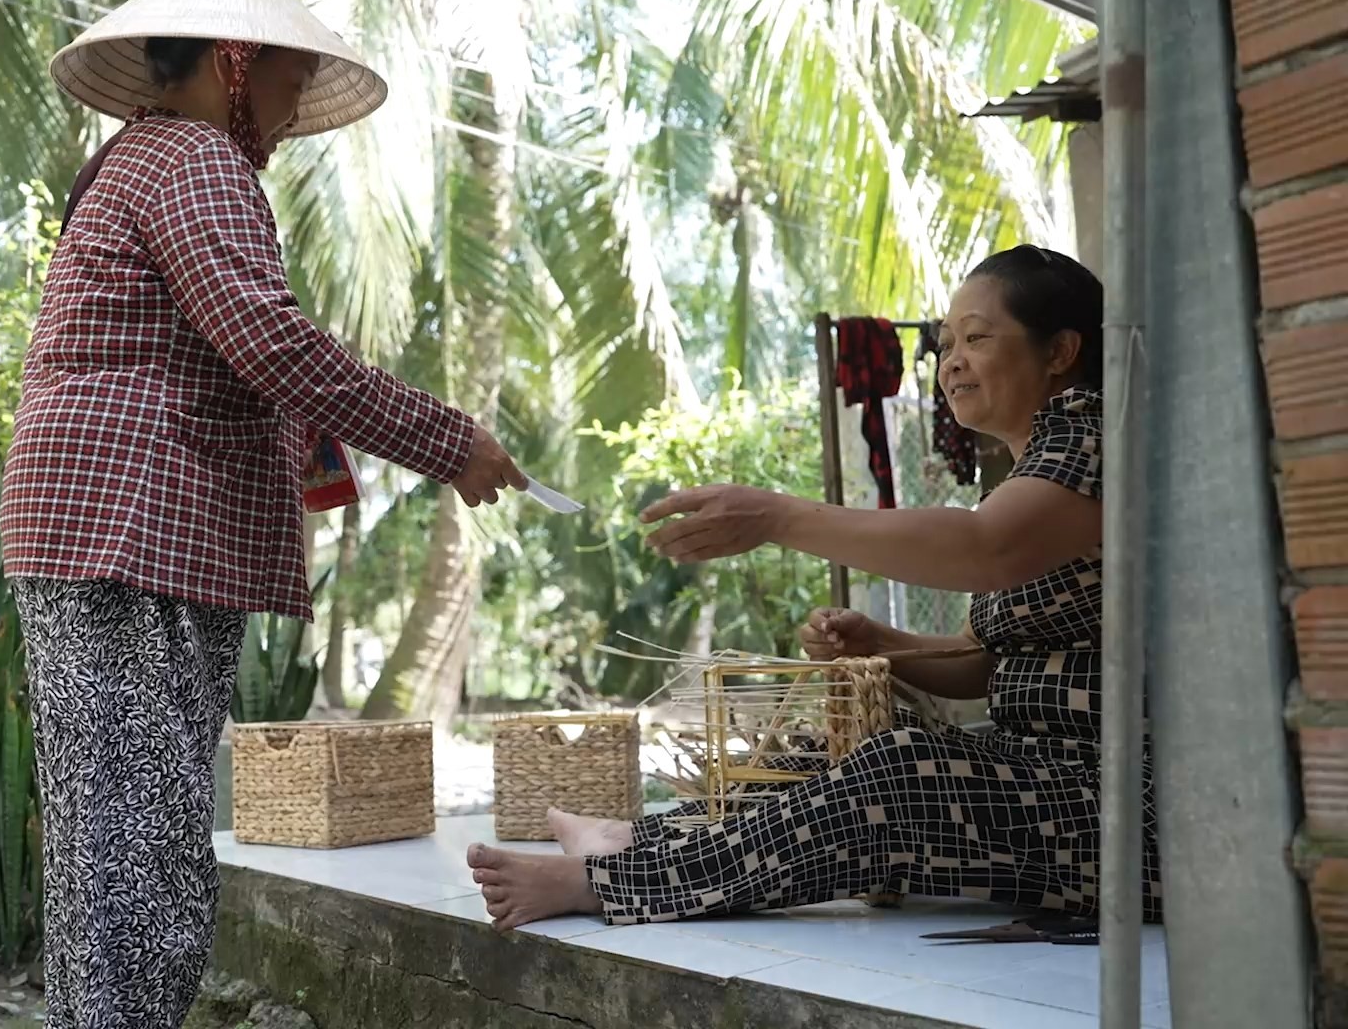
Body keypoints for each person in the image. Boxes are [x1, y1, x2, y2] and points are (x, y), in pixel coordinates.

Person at [1, 0, 525, 1026]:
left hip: (103, 526)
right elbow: (271, 346)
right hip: (128, 527)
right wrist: (450, 442)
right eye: (289, 81)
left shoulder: (140, 161)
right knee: (138, 859)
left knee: (118, 843)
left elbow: (236, 351)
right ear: (234, 64)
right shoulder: (193, 160)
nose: (291, 113)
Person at [467, 244, 1164, 932]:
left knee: (903, 766)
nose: (951, 360)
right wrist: (884, 644)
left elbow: (987, 549)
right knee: (826, 747)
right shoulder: (1034, 466)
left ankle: (608, 883)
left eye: (978, 338)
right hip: (1035, 775)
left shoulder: (1096, 435)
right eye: (948, 342)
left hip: (1114, 804)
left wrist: (778, 517)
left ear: (1060, 351)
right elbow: (991, 661)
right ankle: (635, 840)